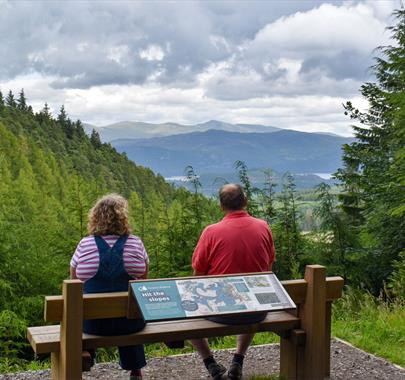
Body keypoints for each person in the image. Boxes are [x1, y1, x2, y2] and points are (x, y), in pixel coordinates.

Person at [191, 184, 275, 380]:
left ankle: (210, 364)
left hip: (221, 310)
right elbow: (268, 269)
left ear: (221, 206)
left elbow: (197, 275)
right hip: (256, 310)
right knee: (250, 298)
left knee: (185, 310)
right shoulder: (263, 227)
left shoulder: (211, 232)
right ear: (245, 201)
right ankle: (238, 360)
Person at [70, 194, 148, 380]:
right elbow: (144, 282)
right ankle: (135, 369)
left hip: (93, 325)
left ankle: (85, 358)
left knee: (83, 308)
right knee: (132, 307)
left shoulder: (85, 244)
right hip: (130, 324)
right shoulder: (135, 243)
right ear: (123, 217)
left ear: (95, 217)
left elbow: (74, 284)